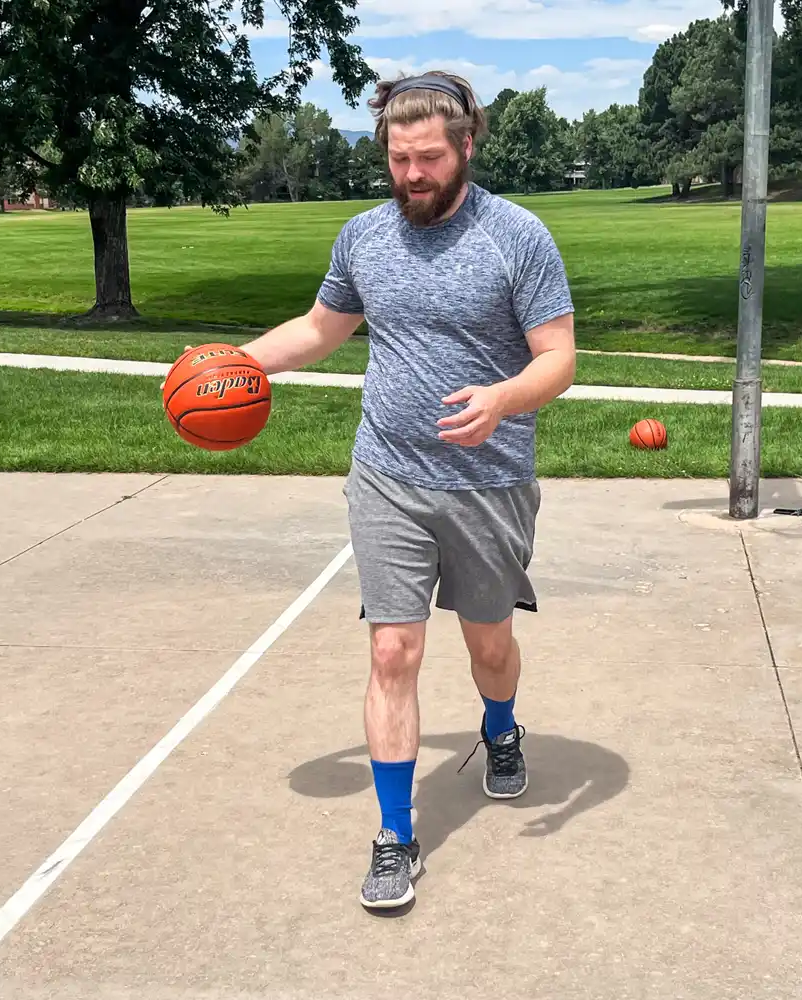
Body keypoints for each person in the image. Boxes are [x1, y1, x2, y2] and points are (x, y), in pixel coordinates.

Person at [239, 70, 576, 910]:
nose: (413, 175)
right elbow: (321, 331)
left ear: (467, 145)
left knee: (488, 646)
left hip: (489, 483)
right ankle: (395, 836)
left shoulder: (518, 237)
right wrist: (230, 363)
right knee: (393, 649)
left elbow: (558, 358)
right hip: (387, 474)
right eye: (398, 159)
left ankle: (500, 729)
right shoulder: (363, 238)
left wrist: (504, 399)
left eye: (428, 158)